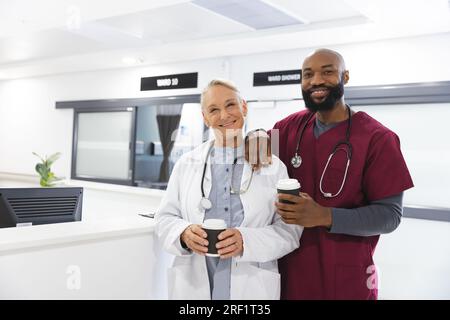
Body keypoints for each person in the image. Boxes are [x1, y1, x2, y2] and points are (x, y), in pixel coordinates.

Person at [272, 48, 414, 300]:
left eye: (327, 72)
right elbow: (258, 159)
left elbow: (390, 215)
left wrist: (325, 216)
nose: (316, 80)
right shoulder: (286, 129)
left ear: (344, 77)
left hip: (345, 277)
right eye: (308, 74)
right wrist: (254, 140)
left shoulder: (378, 138)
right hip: (288, 272)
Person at [155, 79, 303, 300]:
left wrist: (246, 241)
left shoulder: (272, 165)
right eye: (214, 110)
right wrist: (183, 233)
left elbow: (289, 231)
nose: (224, 115)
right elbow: (164, 218)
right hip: (193, 284)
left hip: (251, 286)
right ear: (205, 118)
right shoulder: (186, 164)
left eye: (231, 105)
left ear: (243, 106)